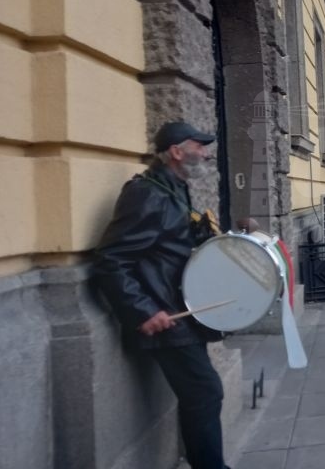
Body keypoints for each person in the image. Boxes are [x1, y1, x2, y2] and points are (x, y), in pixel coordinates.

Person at [94, 121, 231, 469]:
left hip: (181, 306)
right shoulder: (147, 193)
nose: (205, 152)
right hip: (165, 315)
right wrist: (142, 311)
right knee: (205, 391)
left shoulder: (172, 187)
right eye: (198, 145)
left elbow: (168, 245)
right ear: (176, 151)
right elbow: (111, 259)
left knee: (200, 393)